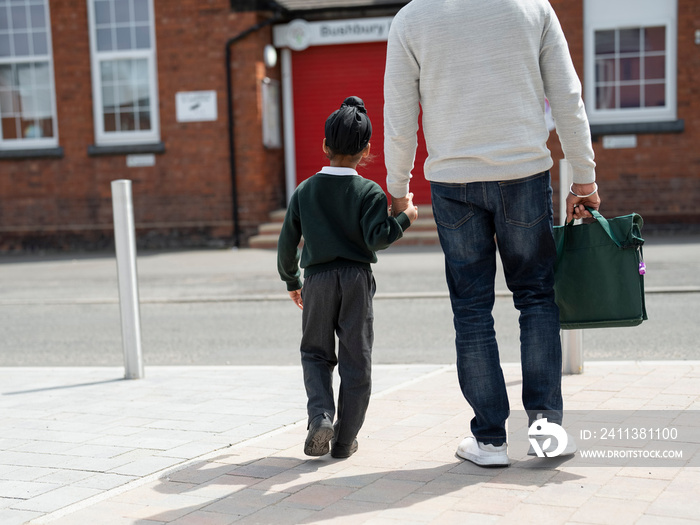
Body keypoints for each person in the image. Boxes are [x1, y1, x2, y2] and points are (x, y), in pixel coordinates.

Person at [384, 0, 601, 467]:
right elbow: (567, 94)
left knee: (471, 310)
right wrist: (584, 177)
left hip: (453, 183)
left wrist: (398, 189)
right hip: (523, 174)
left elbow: (400, 115)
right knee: (537, 298)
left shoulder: (411, 19)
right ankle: (547, 434)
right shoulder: (531, 7)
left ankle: (489, 442)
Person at [277, 96, 418, 459]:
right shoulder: (369, 192)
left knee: (315, 353)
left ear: (325, 145)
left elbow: (288, 241)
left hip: (318, 280)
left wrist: (292, 280)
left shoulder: (305, 190)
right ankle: (343, 440)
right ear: (367, 149)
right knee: (357, 359)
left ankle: (321, 416)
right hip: (356, 279)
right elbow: (379, 237)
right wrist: (405, 218)